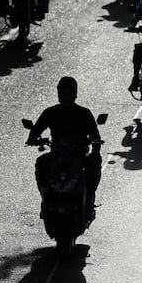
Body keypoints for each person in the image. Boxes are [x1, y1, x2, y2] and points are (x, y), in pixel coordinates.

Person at [26, 77, 103, 222]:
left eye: (69, 93)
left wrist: (95, 149)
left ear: (75, 95)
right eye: (63, 93)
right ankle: (45, 201)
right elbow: (36, 130)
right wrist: (32, 139)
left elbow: (95, 136)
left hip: (79, 155)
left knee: (94, 162)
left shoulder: (84, 113)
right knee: (41, 163)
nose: (66, 97)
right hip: (57, 155)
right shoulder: (50, 112)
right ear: (58, 95)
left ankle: (90, 200)